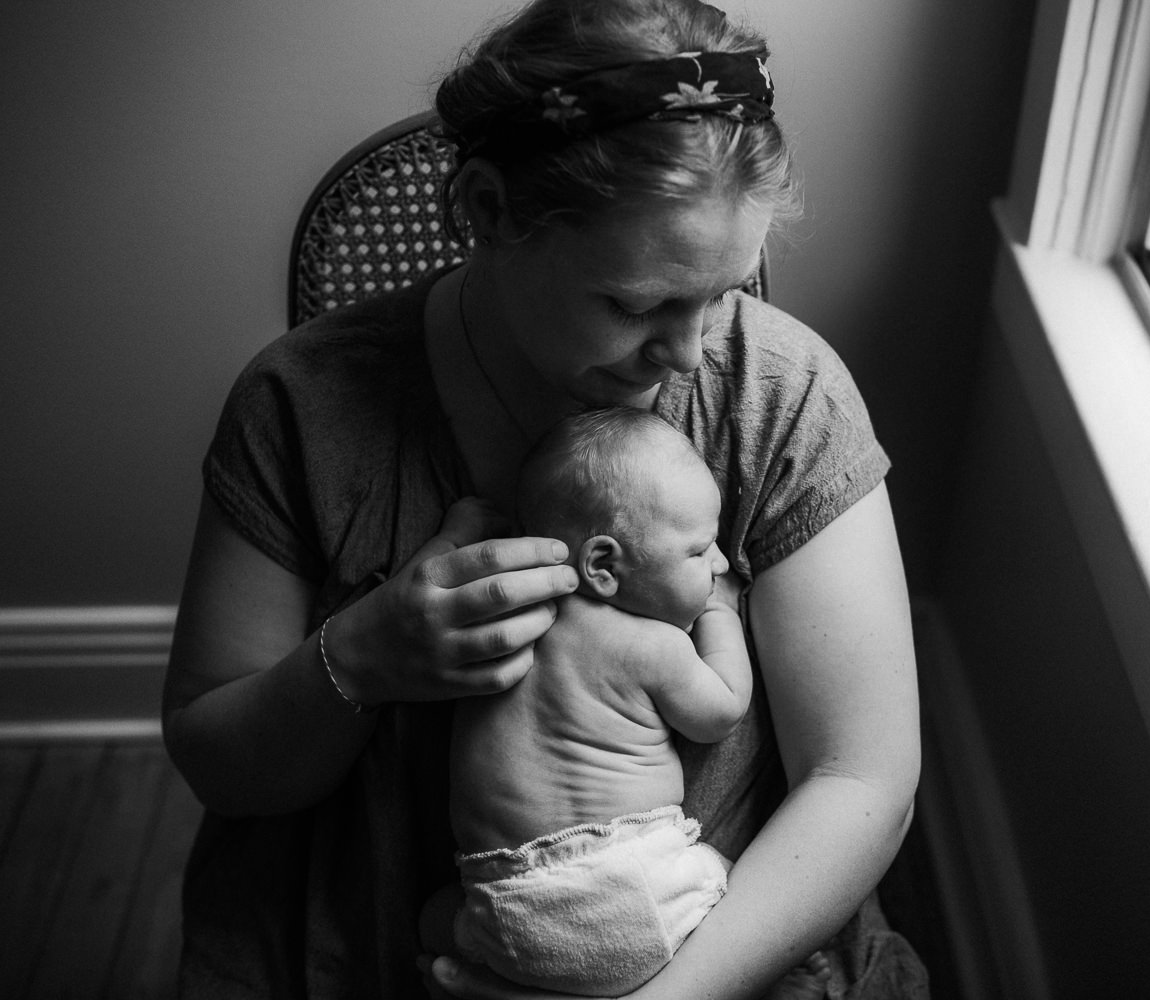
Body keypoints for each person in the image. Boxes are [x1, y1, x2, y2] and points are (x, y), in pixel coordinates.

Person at [163, 1, 927, 997]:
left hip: (711, 949)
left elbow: (861, 779)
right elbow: (219, 761)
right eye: (636, 302)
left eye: (725, 290)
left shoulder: (780, 400)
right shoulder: (302, 406)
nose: (689, 354)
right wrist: (359, 657)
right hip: (375, 943)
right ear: (487, 210)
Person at [422, 406, 788, 996]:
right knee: (732, 882)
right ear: (603, 566)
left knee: (435, 918)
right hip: (639, 897)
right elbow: (720, 712)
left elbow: (435, 579)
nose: (719, 562)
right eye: (700, 552)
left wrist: (457, 530)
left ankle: (464, 959)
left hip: (506, 902)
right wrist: (721, 614)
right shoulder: (654, 646)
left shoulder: (499, 614)